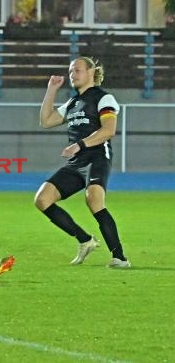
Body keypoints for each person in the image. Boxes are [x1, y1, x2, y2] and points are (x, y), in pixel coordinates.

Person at [34, 56, 130, 268]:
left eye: (76, 70)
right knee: (42, 199)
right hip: (76, 162)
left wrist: (80, 145)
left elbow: (108, 130)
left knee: (94, 200)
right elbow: (46, 121)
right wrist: (51, 89)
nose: (72, 74)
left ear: (91, 72)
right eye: (70, 71)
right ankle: (85, 240)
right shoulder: (72, 102)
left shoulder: (104, 98)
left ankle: (119, 257)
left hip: (97, 156)